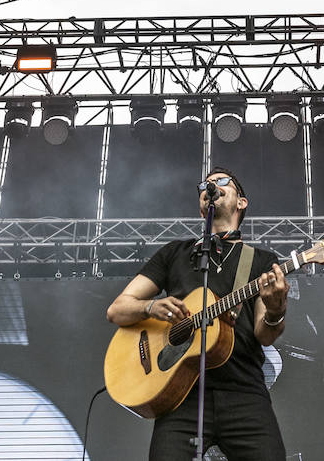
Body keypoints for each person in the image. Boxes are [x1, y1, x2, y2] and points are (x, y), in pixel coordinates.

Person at [106, 167, 289, 460]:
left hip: (243, 392)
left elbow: (264, 335)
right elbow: (117, 310)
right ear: (202, 203)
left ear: (241, 202)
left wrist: (276, 308)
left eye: (221, 182)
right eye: (205, 185)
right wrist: (151, 306)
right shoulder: (175, 253)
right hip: (181, 396)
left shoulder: (261, 261)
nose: (210, 187)